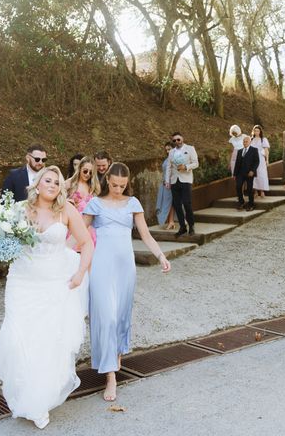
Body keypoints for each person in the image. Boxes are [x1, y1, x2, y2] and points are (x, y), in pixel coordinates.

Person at [0, 166, 93, 430]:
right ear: (37, 184)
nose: (52, 184)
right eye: (47, 180)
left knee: (47, 343)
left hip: (54, 285)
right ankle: (21, 392)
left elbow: (86, 243)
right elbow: (2, 242)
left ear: (61, 188)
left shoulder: (66, 211)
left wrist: (80, 274)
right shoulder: (18, 210)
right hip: (21, 282)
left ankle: (38, 402)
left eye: (57, 182)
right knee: (17, 339)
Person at [83, 163, 171, 402]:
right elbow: (79, 233)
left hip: (125, 268)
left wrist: (161, 256)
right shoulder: (95, 204)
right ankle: (110, 376)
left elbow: (145, 234)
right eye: (114, 185)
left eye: (122, 185)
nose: (118, 189)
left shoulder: (133, 203)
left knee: (121, 314)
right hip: (101, 266)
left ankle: (117, 350)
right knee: (106, 316)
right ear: (106, 180)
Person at [167, 132, 199, 237]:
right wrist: (167, 180)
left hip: (186, 180)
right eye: (174, 140)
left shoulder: (190, 149)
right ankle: (182, 227)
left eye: (178, 139)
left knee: (187, 203)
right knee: (177, 205)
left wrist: (185, 167)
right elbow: (169, 167)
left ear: (182, 139)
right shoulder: (171, 152)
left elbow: (196, 163)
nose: (176, 142)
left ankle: (192, 226)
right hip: (174, 181)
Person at [65, 156, 100, 249]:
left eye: (91, 172)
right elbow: (56, 198)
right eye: (85, 171)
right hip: (73, 224)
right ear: (79, 169)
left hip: (89, 226)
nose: (88, 174)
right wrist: (66, 201)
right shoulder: (70, 183)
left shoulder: (94, 186)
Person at [234, 135, 260, 211]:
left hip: (249, 173)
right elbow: (237, 163)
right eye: (244, 141)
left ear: (250, 142)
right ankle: (241, 202)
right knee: (238, 187)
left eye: (246, 141)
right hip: (240, 173)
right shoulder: (239, 151)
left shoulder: (254, 150)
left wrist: (252, 171)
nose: (245, 143)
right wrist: (235, 174)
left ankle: (251, 204)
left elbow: (257, 161)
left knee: (249, 189)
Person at [156, 141, 175, 230]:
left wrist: (169, 182)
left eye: (169, 149)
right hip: (164, 184)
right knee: (165, 203)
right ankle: (170, 221)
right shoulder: (167, 159)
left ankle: (171, 221)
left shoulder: (175, 159)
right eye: (166, 150)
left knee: (169, 203)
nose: (167, 151)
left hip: (170, 184)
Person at [251, 125, 270, 198]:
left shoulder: (263, 139)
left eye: (258, 131)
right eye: (255, 131)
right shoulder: (251, 139)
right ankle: (255, 191)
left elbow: (266, 151)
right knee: (254, 175)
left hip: (261, 159)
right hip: (253, 160)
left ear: (260, 132)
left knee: (262, 175)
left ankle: (262, 191)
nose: (256, 132)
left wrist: (267, 160)